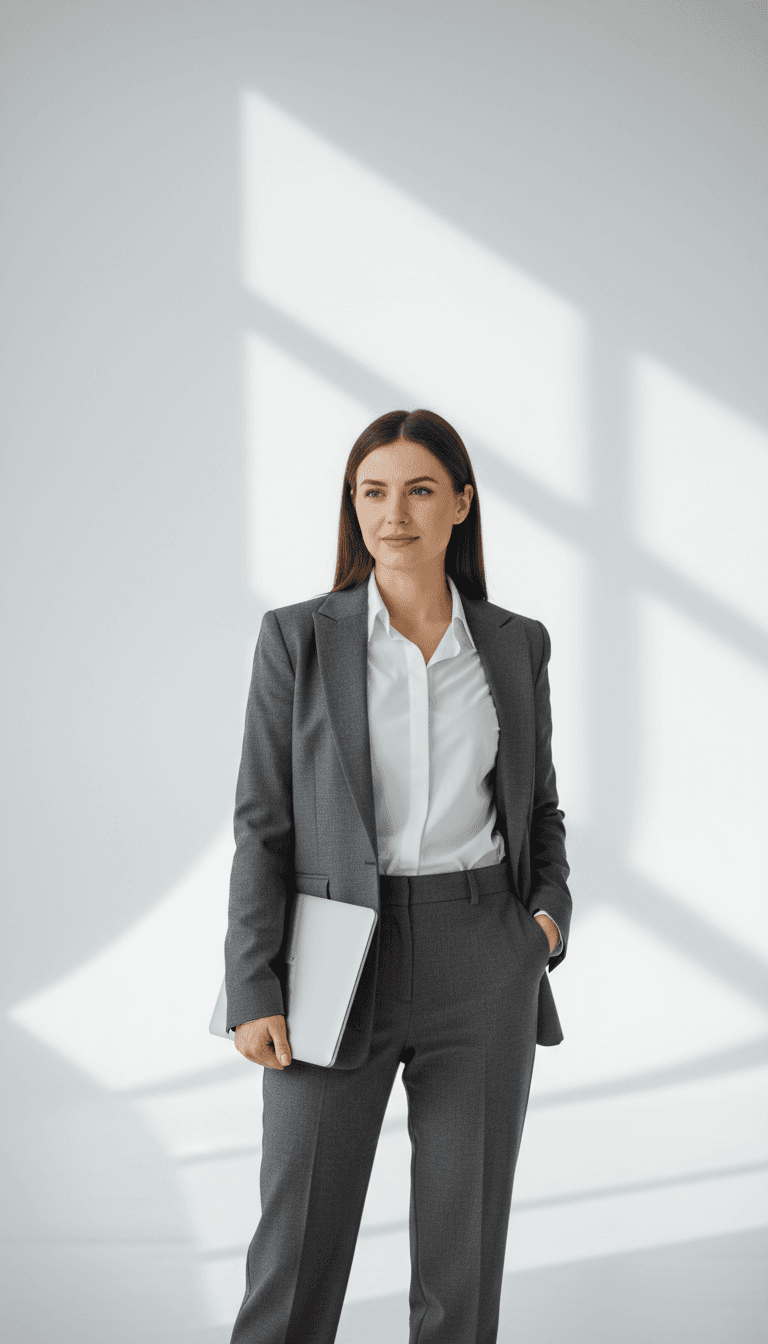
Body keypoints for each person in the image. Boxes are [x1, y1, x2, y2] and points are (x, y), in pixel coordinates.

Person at [224, 408, 572, 1344]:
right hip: (331, 959)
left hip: (482, 958)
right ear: (353, 506)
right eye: (373, 492)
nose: (395, 513)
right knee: (294, 1261)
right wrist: (252, 983)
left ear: (461, 503)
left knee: (462, 1275)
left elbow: (537, 807)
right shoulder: (298, 638)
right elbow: (262, 824)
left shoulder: (515, 643)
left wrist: (543, 921)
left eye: (421, 489)